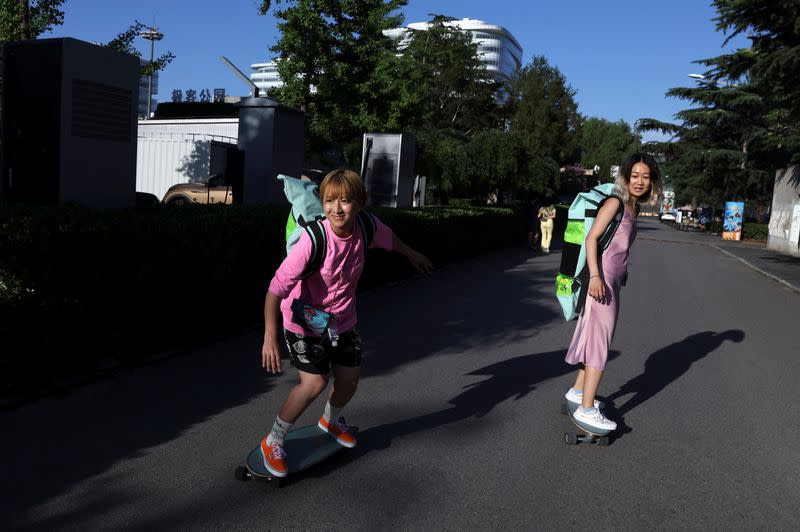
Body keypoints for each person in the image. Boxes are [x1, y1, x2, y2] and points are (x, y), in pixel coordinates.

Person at [260, 169, 434, 477]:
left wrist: (411, 253)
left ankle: (330, 420)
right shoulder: (314, 240)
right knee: (314, 382)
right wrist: (270, 337)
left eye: (345, 201)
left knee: (349, 379)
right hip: (303, 319)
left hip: (342, 318)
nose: (336, 209)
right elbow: (275, 289)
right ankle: (273, 439)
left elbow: (389, 238)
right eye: (329, 201)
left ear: (359, 203)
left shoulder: (366, 226)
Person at [563, 153, 662, 432]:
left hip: (612, 280)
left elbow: (619, 243)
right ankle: (586, 409)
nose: (640, 181)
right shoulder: (615, 202)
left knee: (592, 336)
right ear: (626, 177)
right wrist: (595, 276)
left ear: (652, 181)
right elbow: (592, 238)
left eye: (645, 176)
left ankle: (578, 392)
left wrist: (624, 268)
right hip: (601, 281)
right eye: (635, 176)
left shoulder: (633, 208)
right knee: (599, 341)